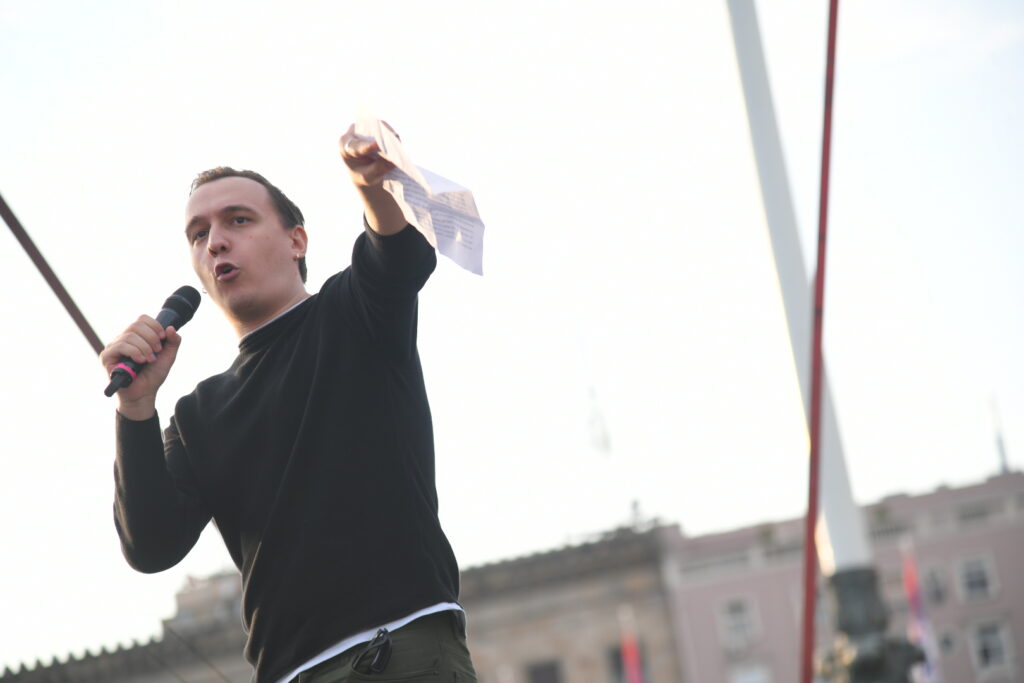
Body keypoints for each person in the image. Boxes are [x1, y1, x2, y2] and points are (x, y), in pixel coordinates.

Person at [100, 125, 477, 683]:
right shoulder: (197, 415)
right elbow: (152, 545)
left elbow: (399, 254)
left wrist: (372, 185)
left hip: (401, 648)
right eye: (198, 234)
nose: (216, 242)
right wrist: (135, 409)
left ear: (297, 240)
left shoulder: (351, 313)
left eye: (238, 220)